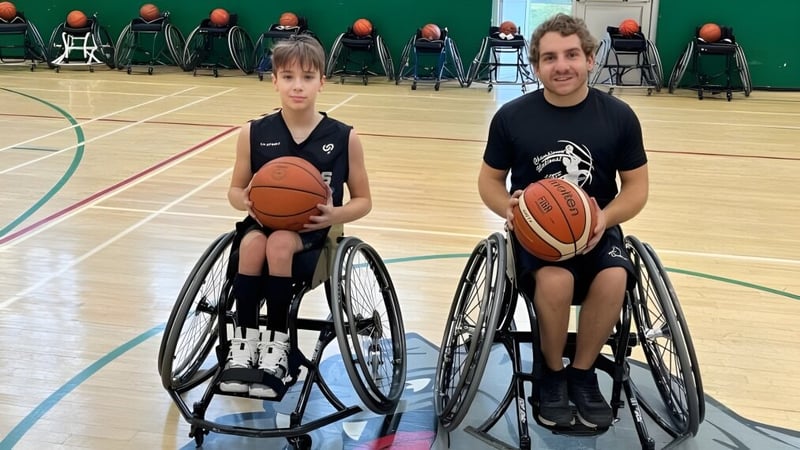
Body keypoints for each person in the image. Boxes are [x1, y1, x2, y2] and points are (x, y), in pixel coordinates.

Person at [477, 13, 649, 429]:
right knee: (557, 280)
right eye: (550, 57)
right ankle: (551, 373)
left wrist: (602, 218)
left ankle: (583, 372)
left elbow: (637, 189)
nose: (562, 65)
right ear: (536, 66)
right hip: (537, 234)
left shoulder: (619, 116)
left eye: (572, 54)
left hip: (597, 226)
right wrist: (508, 207)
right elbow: (489, 181)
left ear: (590, 59)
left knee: (614, 279)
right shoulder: (512, 116)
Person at [222, 34, 372, 398]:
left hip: (315, 234)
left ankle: (279, 350)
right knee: (257, 243)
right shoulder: (253, 133)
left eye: (307, 77)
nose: (298, 86)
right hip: (264, 222)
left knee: (278, 245)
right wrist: (245, 201)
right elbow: (234, 191)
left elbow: (364, 201)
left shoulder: (344, 137)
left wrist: (335, 212)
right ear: (274, 81)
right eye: (288, 77)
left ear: (322, 81)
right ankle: (243, 347)